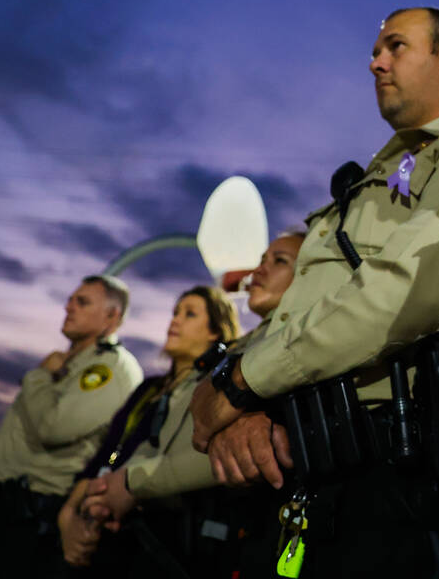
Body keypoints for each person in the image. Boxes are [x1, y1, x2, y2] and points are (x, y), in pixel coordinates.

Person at [189, 7, 439, 577]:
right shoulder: (388, 171)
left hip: (403, 482)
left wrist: (243, 382)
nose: (375, 62)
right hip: (317, 464)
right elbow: (304, 313)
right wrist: (247, 406)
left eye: (395, 46)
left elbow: (405, 295)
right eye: (378, 50)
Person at [66, 233, 304, 576]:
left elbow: (207, 454)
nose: (258, 270)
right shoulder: (176, 381)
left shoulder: (263, 355)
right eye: (262, 259)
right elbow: (141, 448)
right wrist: (93, 502)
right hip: (140, 529)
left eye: (278, 261)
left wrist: (131, 484)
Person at [57, 285, 239, 573]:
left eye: (189, 314)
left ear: (215, 332)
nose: (174, 320)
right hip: (104, 526)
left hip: (161, 544)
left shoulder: (215, 392)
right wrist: (69, 517)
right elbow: (106, 453)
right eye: (175, 312)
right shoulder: (148, 389)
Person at [0, 275, 143, 574]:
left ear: (111, 316)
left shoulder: (112, 367)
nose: (69, 307)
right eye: (70, 299)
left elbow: (53, 428)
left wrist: (40, 376)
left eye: (82, 302)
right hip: (4, 507)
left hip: (27, 517)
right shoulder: (72, 362)